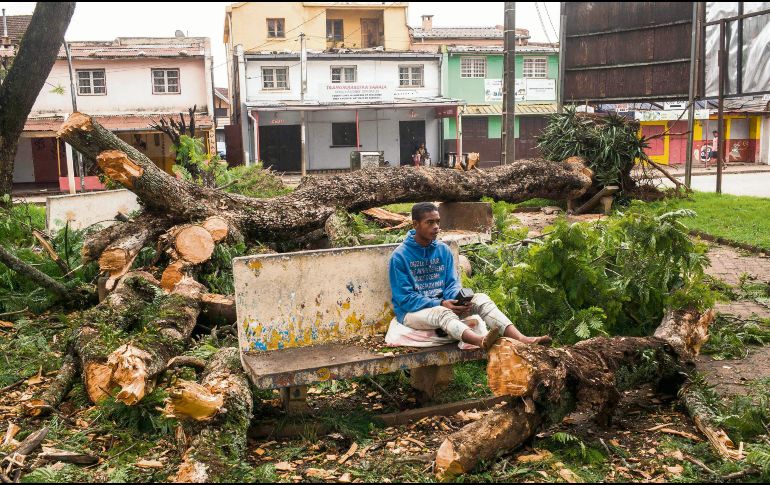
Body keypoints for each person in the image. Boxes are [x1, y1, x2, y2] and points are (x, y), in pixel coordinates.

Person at [388, 202, 552, 351]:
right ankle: (481, 341)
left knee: (481, 299)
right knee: (442, 313)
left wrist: (459, 300)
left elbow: (452, 284)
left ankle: (522, 339)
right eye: (430, 222)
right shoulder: (400, 256)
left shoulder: (443, 250)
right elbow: (405, 298)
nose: (436, 226)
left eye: (438, 221)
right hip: (411, 313)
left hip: (444, 305)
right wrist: (441, 303)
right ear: (415, 224)